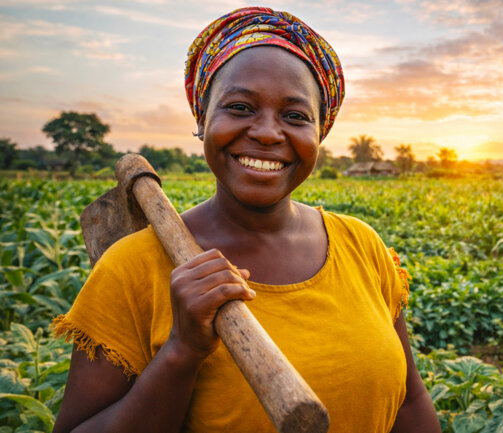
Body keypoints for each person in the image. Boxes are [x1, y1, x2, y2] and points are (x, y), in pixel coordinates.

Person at [51, 7, 440, 433]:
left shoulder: (362, 246)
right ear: (203, 120)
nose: (269, 133)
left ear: (319, 135)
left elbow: (410, 403)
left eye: (295, 116)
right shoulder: (132, 267)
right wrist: (182, 351)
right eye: (239, 107)